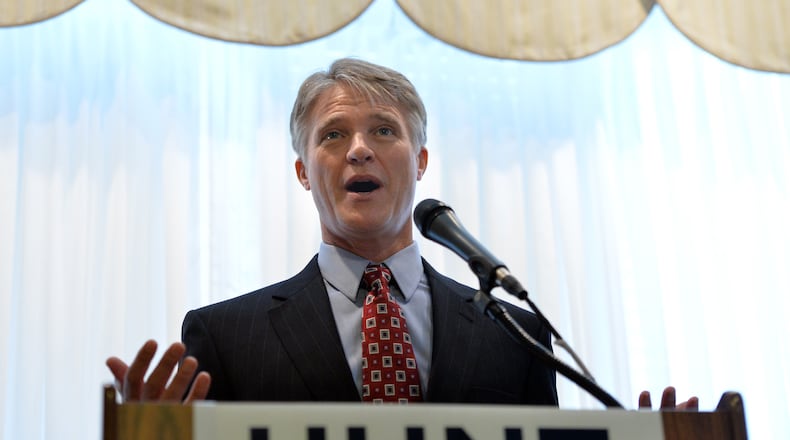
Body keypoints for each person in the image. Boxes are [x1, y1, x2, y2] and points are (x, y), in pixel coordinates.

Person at [106, 58, 697, 410]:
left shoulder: (516, 333)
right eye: (333, 134)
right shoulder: (225, 335)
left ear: (420, 162)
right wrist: (146, 434)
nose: (359, 149)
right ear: (302, 173)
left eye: (384, 130)